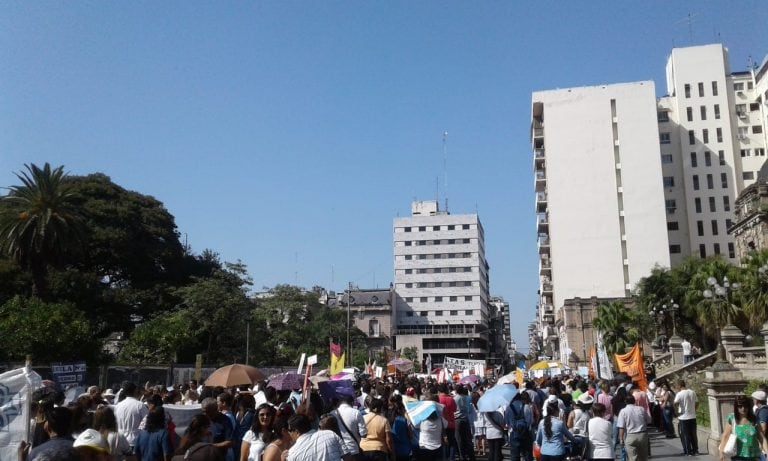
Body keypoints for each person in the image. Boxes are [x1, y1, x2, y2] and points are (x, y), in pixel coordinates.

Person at [718, 395, 768, 461]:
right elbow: (725, 435)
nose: (743, 408)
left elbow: (762, 438)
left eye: (745, 406)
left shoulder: (754, 419)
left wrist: (767, 452)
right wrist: (721, 452)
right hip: (738, 457)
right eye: (740, 406)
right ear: (736, 407)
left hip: (754, 456)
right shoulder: (732, 418)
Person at [331, 393, 367, 459]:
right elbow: (363, 434)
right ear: (352, 402)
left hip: (339, 451)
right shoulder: (356, 412)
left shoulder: (332, 414)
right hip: (354, 449)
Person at [115, 382, 149, 452]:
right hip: (134, 441)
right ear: (135, 390)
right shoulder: (140, 405)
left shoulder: (118, 405)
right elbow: (147, 422)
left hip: (119, 440)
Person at [616, 394, 650, 461]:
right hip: (642, 435)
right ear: (634, 401)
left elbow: (621, 427)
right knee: (643, 458)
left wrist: (621, 439)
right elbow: (648, 420)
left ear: (625, 402)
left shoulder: (623, 411)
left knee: (632, 458)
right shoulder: (641, 409)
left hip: (631, 435)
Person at [674, 379, 698, 456]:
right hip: (692, 416)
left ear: (679, 385)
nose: (676, 387)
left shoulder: (679, 394)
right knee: (693, 434)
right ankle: (695, 450)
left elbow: (675, 403)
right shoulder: (692, 392)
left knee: (685, 435)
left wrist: (678, 411)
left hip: (683, 417)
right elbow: (697, 402)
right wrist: (694, 409)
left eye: (676, 386)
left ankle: (688, 451)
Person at [508, 392, 535, 461]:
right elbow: (531, 421)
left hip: (514, 433)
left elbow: (507, 422)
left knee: (515, 455)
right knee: (527, 455)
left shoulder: (509, 408)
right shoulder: (526, 406)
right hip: (526, 433)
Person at [454, 385, 476, 461]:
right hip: (466, 419)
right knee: (468, 439)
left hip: (457, 419)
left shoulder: (455, 398)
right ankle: (471, 456)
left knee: (459, 440)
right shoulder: (468, 398)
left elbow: (454, 410)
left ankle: (462, 456)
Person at [387, 395, 412, 461]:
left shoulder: (388, 420)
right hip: (405, 450)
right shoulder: (404, 420)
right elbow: (410, 435)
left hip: (393, 450)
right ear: (402, 410)